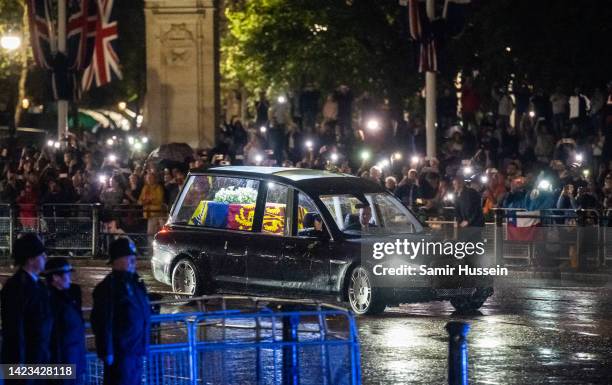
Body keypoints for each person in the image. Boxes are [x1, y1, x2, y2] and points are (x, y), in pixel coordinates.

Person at [91, 237, 151, 385]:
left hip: (135, 351)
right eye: (128, 258)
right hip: (120, 355)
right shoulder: (108, 288)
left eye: (133, 259)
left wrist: (144, 345)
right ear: (116, 261)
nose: (133, 263)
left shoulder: (135, 283)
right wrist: (107, 352)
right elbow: (102, 322)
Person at [1, 233, 52, 376]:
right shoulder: (17, 287)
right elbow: (15, 330)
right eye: (41, 255)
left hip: (39, 358)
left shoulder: (37, 284)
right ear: (30, 259)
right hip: (27, 363)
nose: (45, 258)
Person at [44, 257, 87, 385]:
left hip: (72, 362)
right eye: (67, 274)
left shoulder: (68, 297)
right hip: (62, 366)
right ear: (56, 278)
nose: (70, 278)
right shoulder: (50, 303)